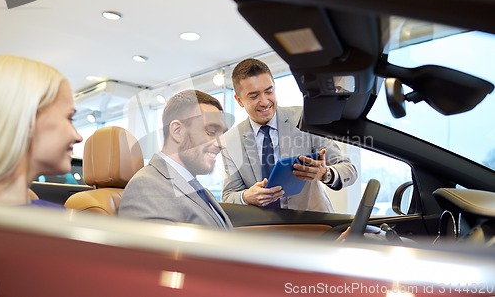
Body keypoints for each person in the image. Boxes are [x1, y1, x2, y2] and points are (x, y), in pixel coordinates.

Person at [221, 58, 357, 212]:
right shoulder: (230, 141)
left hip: (314, 225)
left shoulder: (306, 119)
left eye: (269, 91)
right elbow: (228, 196)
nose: (264, 102)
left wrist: (325, 174)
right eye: (254, 96)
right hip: (264, 230)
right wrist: (246, 196)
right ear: (239, 100)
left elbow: (349, 170)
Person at [119, 90, 233, 230]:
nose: (222, 144)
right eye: (211, 131)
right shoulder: (146, 187)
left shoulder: (197, 188)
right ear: (177, 131)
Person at [0, 55, 83, 206]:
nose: (78, 136)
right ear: (27, 120)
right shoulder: (58, 220)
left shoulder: (57, 218)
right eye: (69, 118)